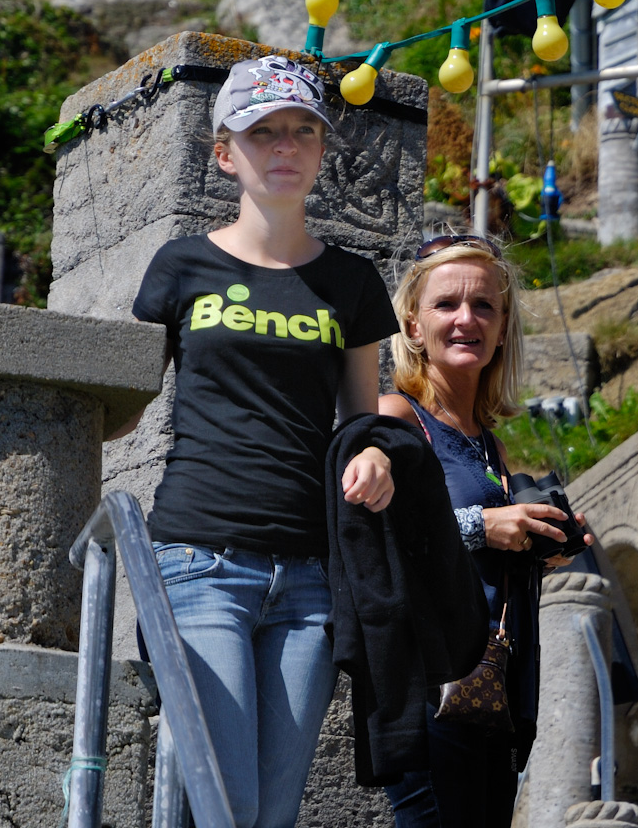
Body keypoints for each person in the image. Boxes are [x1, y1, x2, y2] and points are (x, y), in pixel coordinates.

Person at [123, 55, 400, 828]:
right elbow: (126, 396)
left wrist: (374, 451)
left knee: (271, 816)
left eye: (301, 131)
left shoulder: (351, 280)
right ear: (223, 154)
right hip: (197, 558)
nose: (284, 146)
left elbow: (360, 413)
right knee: (225, 803)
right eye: (262, 132)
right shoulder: (182, 265)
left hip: (311, 578)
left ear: (320, 150)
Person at [379, 233, 594, 828]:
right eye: (446, 304)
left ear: (502, 329)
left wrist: (536, 549)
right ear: (413, 325)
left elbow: (473, 556)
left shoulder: (489, 444)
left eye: (484, 307)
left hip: (489, 692)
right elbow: (369, 533)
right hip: (426, 689)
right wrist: (484, 525)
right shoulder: (396, 416)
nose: (465, 319)